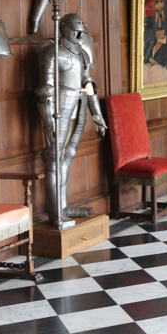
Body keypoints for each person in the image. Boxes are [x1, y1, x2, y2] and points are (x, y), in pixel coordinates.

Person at [37, 13, 107, 229]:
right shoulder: (51, 52)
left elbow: (88, 83)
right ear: (65, 28)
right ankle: (55, 212)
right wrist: (48, 120)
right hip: (59, 106)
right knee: (54, 159)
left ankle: (64, 206)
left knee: (68, 155)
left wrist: (97, 114)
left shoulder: (82, 54)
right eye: (76, 29)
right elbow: (45, 89)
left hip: (80, 104)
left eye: (81, 30)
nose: (79, 34)